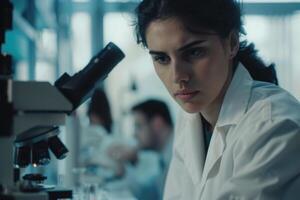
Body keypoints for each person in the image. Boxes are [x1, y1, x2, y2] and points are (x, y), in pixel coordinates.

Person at [133, 0, 300, 199]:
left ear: (231, 43)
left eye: (194, 52)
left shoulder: (273, 124)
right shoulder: (191, 118)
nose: (177, 76)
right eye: (162, 59)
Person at [108, 99, 174, 200]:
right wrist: (128, 165)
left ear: (157, 124)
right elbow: (150, 194)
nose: (134, 134)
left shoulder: (177, 156)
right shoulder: (165, 156)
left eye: (138, 126)